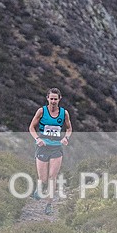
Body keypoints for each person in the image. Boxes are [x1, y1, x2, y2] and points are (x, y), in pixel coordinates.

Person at [28, 87, 72, 215]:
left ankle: (49, 205)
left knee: (52, 177)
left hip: (56, 147)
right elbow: (31, 127)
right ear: (47, 98)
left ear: (59, 99)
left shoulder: (64, 113)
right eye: (51, 99)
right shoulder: (41, 111)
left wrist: (66, 138)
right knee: (43, 178)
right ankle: (39, 188)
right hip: (42, 147)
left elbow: (69, 128)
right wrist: (37, 139)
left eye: (55, 99)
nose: (53, 101)